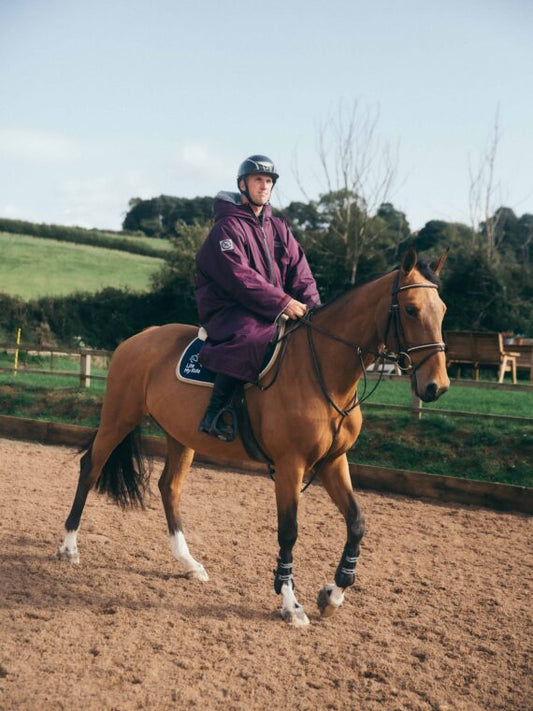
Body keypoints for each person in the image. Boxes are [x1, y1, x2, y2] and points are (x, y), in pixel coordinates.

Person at [195, 154, 321, 440]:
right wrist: (283, 302)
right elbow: (239, 278)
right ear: (243, 185)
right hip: (229, 307)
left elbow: (301, 274)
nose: (264, 186)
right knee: (252, 337)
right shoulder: (225, 229)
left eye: (268, 181)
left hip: (267, 307)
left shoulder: (279, 228)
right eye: (258, 180)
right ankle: (215, 412)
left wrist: (315, 310)